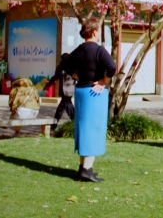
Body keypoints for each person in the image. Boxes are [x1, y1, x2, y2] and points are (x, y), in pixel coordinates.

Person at [61, 18, 116, 182]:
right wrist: (103, 82)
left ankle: (83, 168)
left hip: (80, 92)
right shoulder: (98, 50)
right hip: (94, 94)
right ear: (94, 32)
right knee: (94, 130)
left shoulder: (79, 50)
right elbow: (112, 67)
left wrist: (76, 75)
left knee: (83, 129)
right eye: (98, 30)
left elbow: (65, 63)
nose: (99, 33)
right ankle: (86, 170)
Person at [44, 53, 76, 131]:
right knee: (67, 106)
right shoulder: (59, 67)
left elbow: (77, 77)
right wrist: (48, 85)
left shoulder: (73, 67)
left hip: (69, 90)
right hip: (62, 90)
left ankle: (54, 125)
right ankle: (75, 122)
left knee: (62, 107)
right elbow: (55, 77)